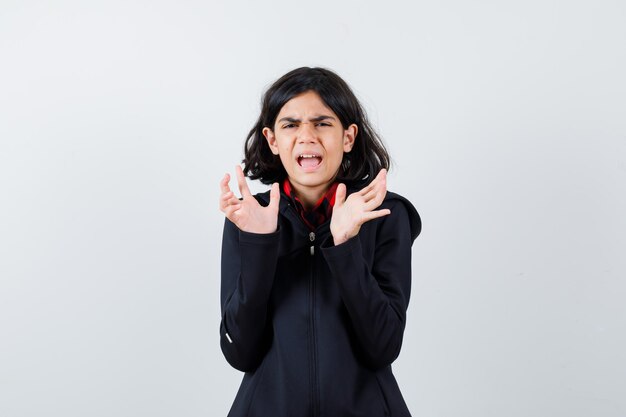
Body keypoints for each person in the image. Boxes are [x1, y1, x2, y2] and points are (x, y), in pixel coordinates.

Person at [218, 67, 421, 417]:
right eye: (291, 124)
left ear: (348, 137)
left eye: (323, 123)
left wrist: (344, 245)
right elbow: (240, 353)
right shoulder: (249, 217)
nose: (307, 136)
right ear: (272, 140)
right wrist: (259, 243)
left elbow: (383, 347)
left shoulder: (385, 214)